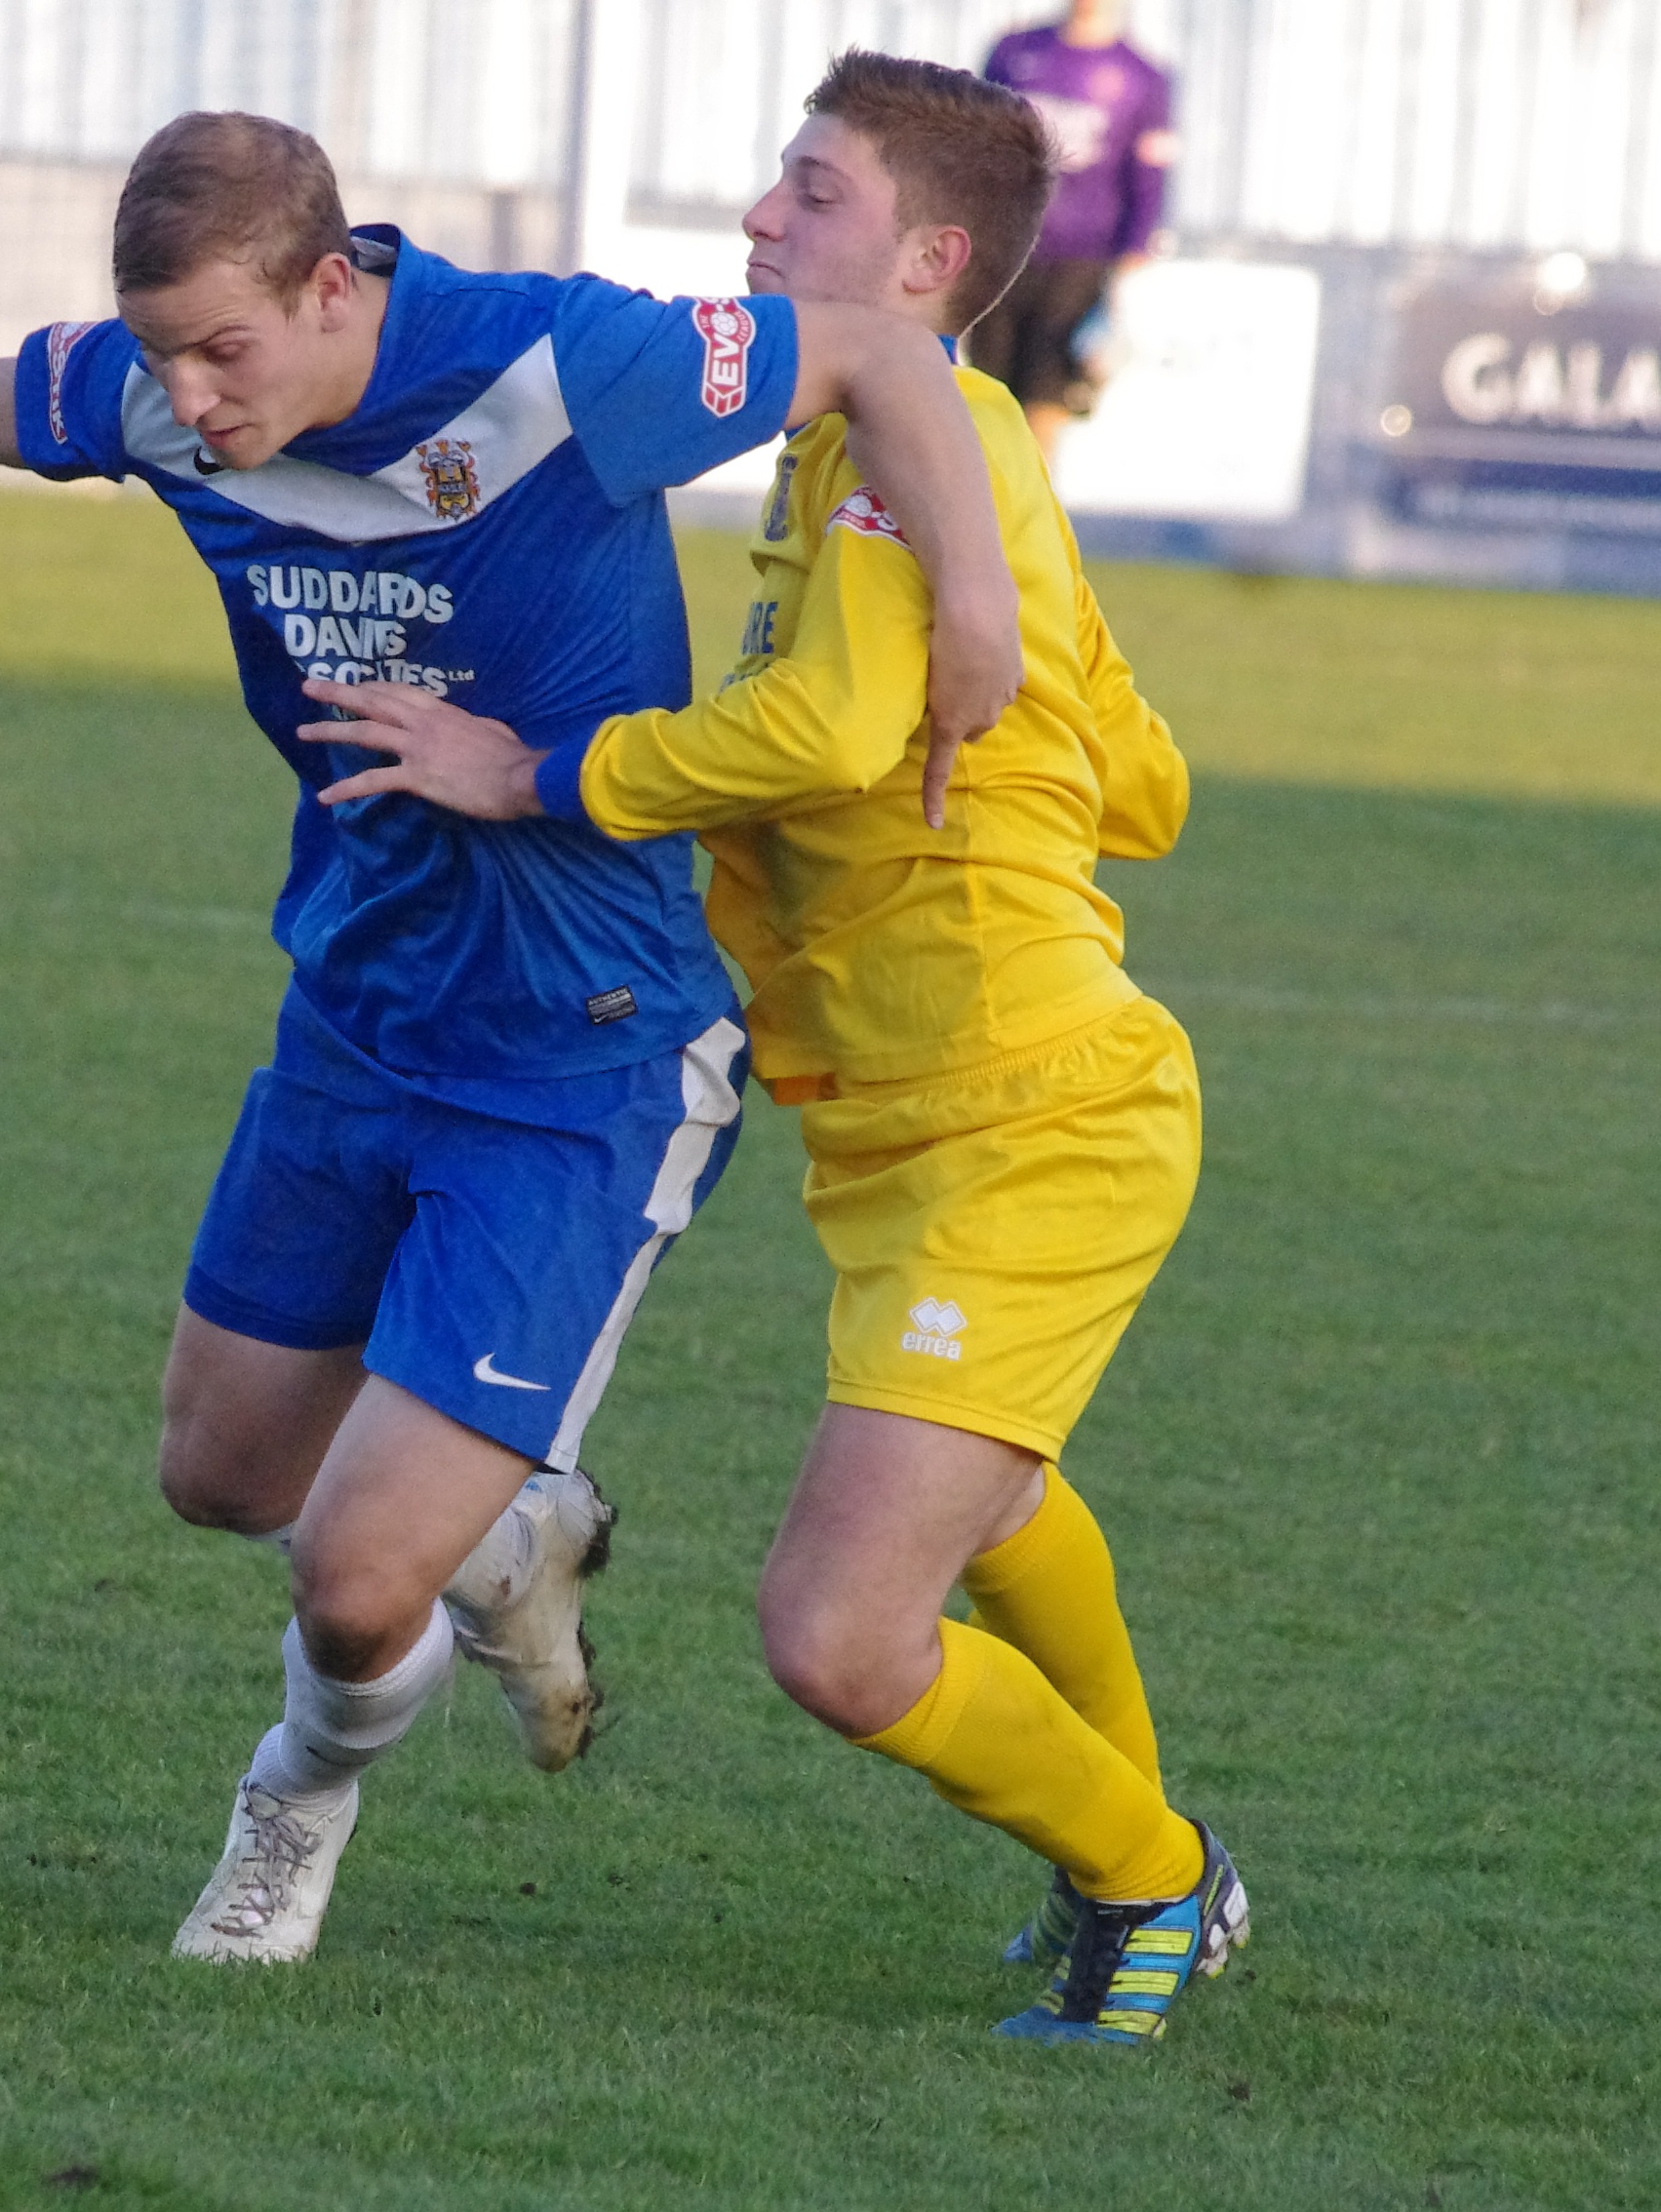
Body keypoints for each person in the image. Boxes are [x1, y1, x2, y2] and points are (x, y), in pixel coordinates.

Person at [0, 109, 1025, 1964]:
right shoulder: (166, 393)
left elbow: (885, 353)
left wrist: (971, 600)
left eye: (225, 351)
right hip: (354, 1014)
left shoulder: (567, 363)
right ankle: (504, 1535)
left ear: (335, 287)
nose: (189, 396)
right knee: (223, 1479)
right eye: (161, 354)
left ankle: (289, 1810)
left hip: (584, 1056)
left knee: (347, 1579)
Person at [301, 52, 1246, 2046]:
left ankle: (1152, 1882)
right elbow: (1140, 780)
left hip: (1029, 1115)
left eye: (805, 192)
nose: (754, 220)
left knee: (834, 1633)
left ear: (922, 261)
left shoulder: (944, 437)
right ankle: (1135, 1849)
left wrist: (528, 768)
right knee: (982, 1505)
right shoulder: (878, 463)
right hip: (917, 1125)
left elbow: (823, 739)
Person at [974, 1, 1175, 466]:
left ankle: (1027, 521)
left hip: (1080, 262)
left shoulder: (1142, 76)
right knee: (986, 395)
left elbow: (1148, 179)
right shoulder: (1015, 51)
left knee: (1045, 398)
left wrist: (1129, 264)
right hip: (1004, 251)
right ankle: (978, 514)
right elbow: (977, 143)